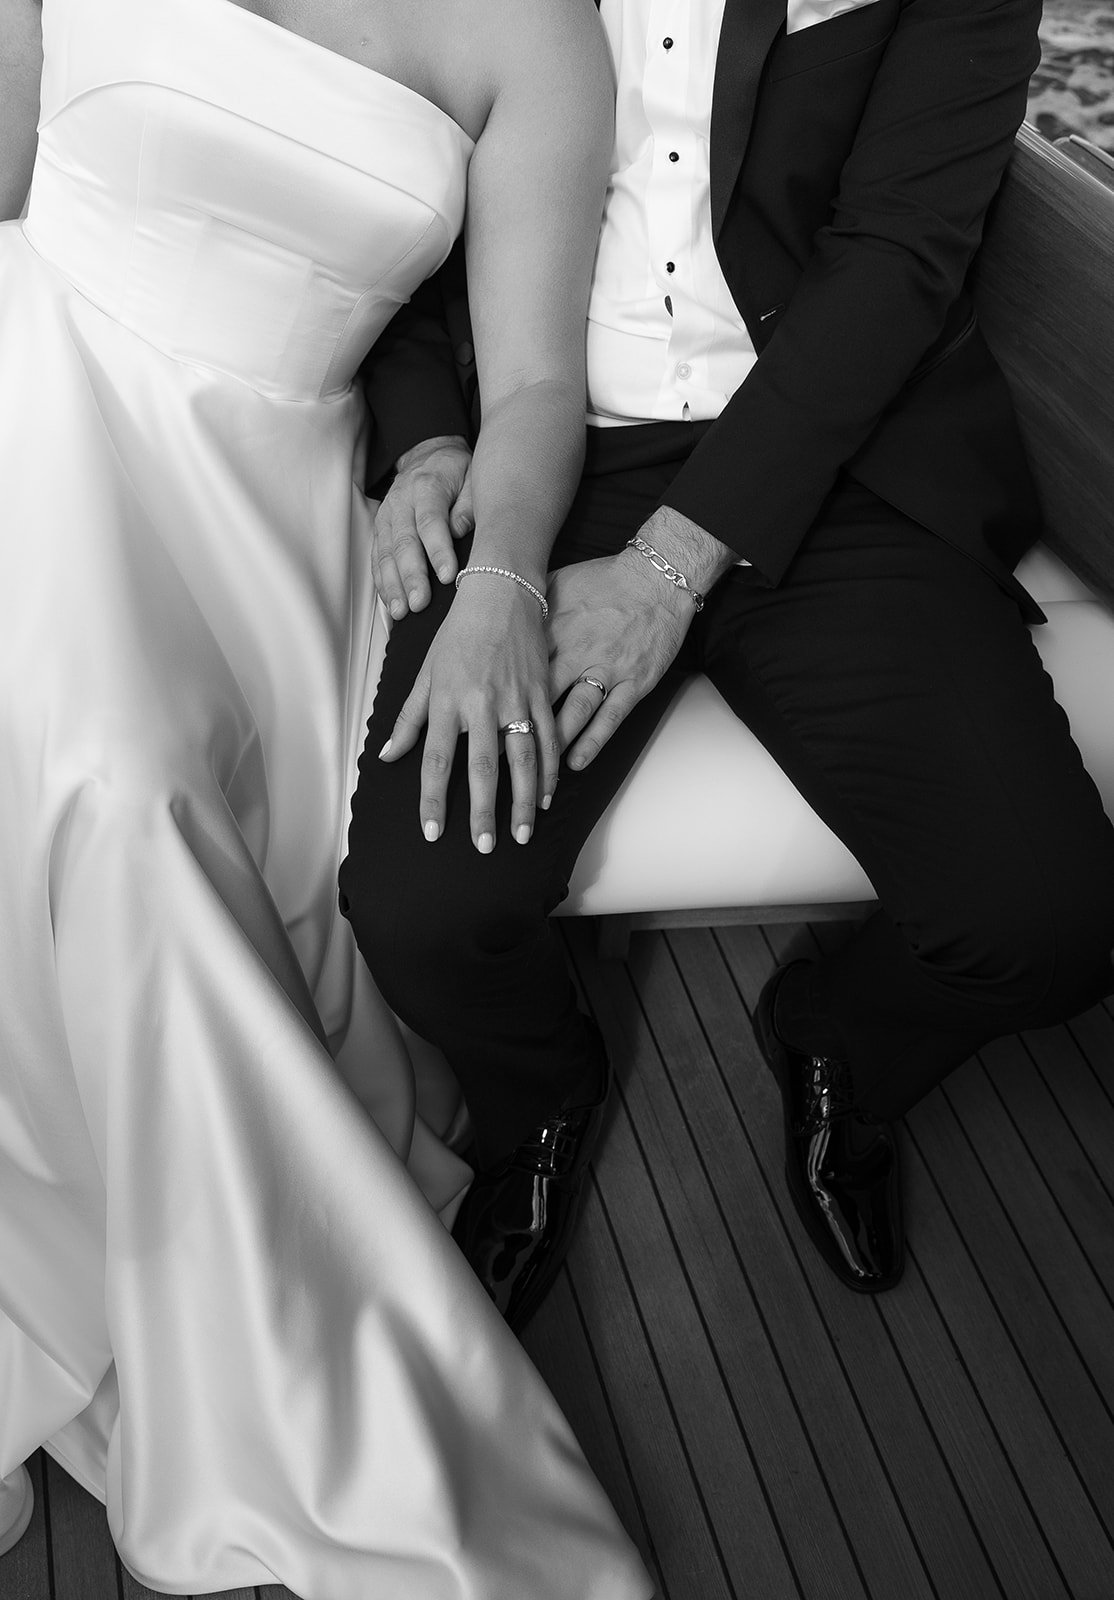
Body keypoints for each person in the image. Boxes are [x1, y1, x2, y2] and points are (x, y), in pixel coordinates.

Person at [0, 0, 654, 1594]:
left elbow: (531, 390)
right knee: (104, 769)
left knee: (137, 779)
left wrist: (503, 570)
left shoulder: (540, 39)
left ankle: (249, 1358)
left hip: (267, 498)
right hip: (37, 384)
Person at [340, 0, 1114, 1327]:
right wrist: (424, 437)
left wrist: (668, 567)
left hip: (836, 460)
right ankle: (540, 1096)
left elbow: (897, 255)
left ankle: (835, 1040)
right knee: (420, 911)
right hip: (548, 458)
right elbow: (400, 191)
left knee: (1044, 924)